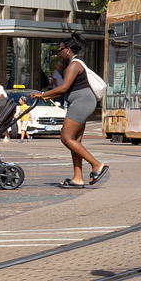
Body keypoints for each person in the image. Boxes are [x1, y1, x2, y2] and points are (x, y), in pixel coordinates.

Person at [30, 33, 108, 188]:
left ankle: (96, 164)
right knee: (75, 142)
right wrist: (47, 96)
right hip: (81, 102)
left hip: (81, 102)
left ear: (68, 50)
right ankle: (77, 178)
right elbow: (62, 91)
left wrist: (42, 94)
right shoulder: (74, 64)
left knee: (66, 138)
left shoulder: (74, 64)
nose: (59, 53)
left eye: (61, 50)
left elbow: (64, 87)